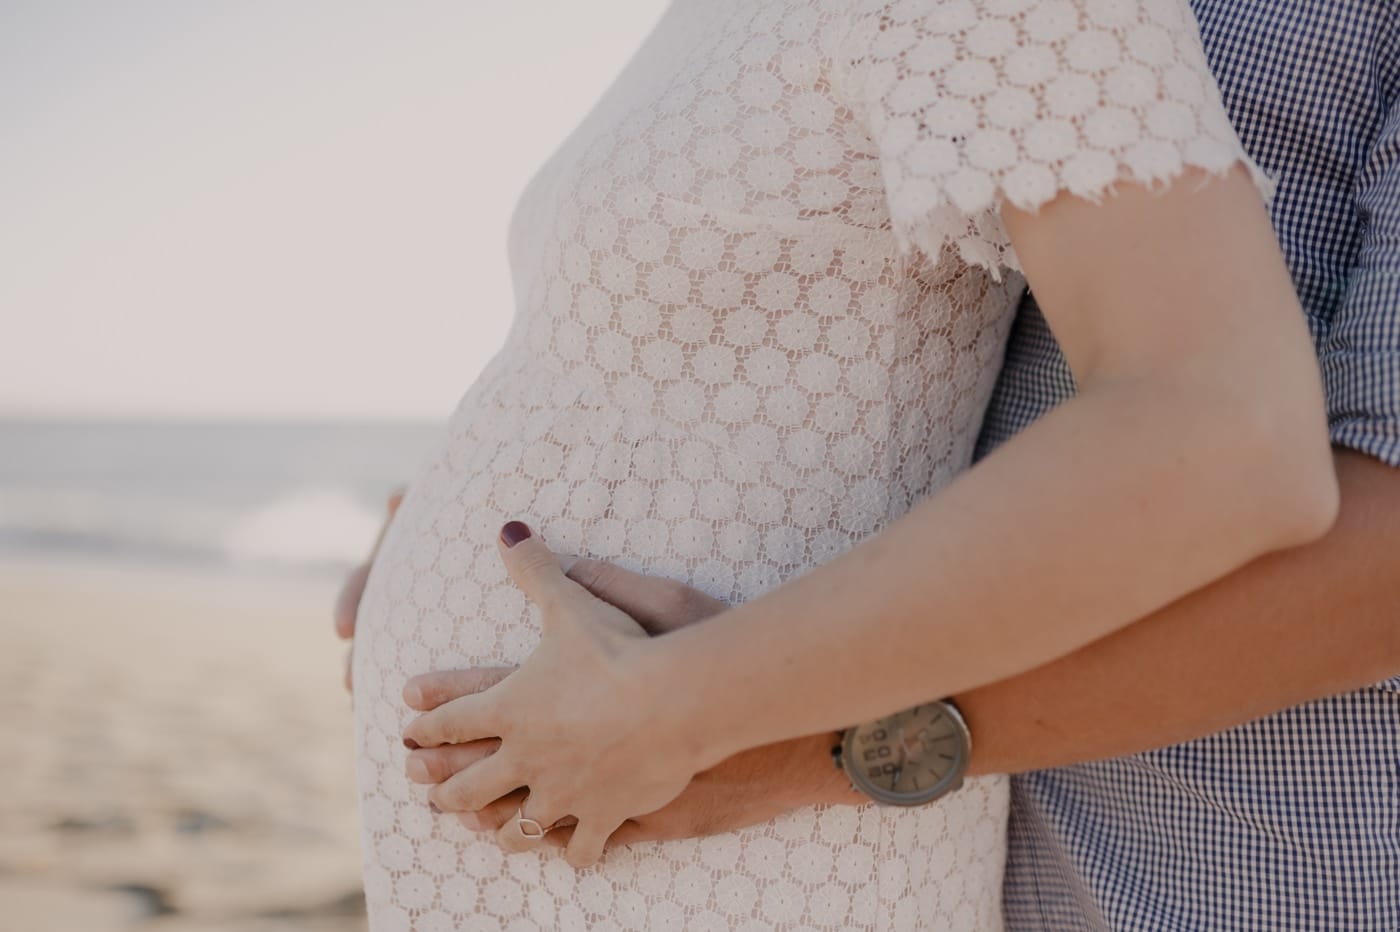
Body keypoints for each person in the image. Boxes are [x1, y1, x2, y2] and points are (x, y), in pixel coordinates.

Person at [360, 3, 1400, 929]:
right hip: (933, 817)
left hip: (1232, 862)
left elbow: (1269, 468)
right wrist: (449, 511)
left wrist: (747, 728)